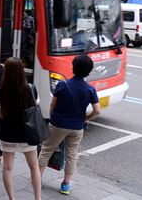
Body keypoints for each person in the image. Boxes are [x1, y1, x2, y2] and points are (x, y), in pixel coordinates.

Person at [38, 55, 101, 195]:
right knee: (72, 155)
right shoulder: (90, 90)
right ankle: (65, 185)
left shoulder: (62, 84)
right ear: (89, 71)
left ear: (73, 68)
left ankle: (37, 180)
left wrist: (53, 118)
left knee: (47, 149)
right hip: (77, 127)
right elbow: (97, 111)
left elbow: (52, 104)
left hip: (58, 124)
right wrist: (85, 119)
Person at [0, 57, 42, 200]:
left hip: (8, 134)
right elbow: (36, 106)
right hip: (28, 134)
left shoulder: (1, 91)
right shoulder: (30, 88)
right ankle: (37, 198)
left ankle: (12, 198)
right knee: (34, 167)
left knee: (7, 168)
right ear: (21, 71)